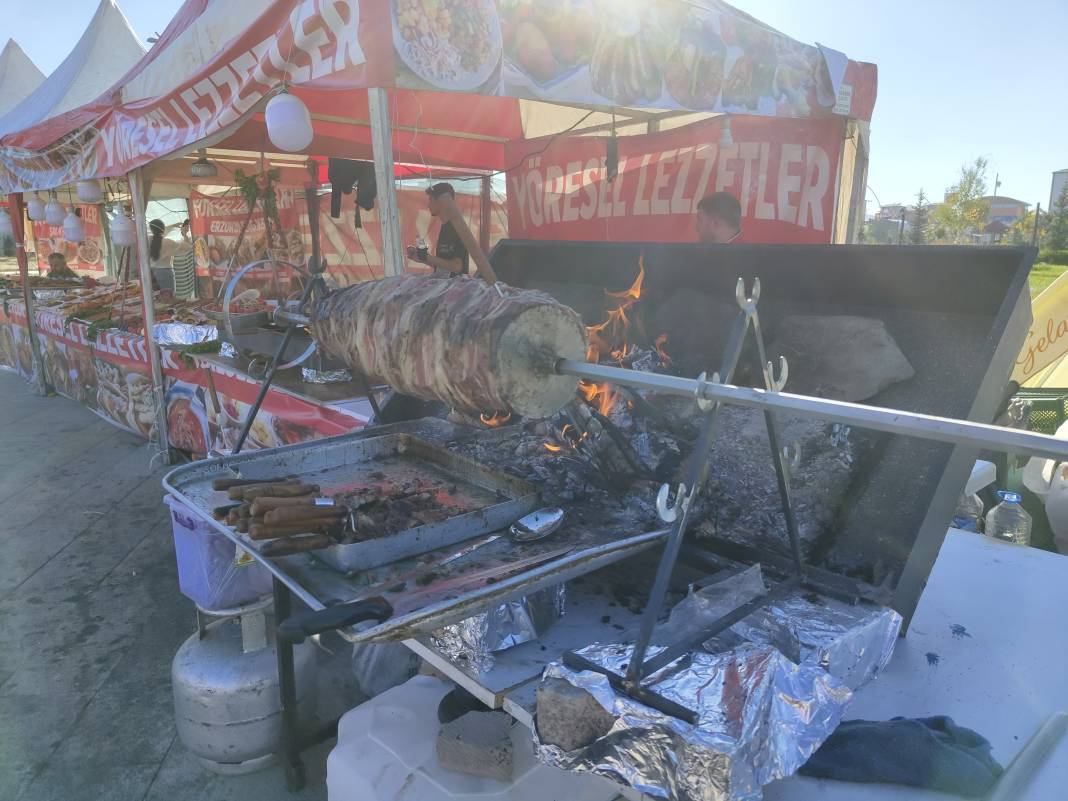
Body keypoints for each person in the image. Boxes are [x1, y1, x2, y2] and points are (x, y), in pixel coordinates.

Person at [406, 182, 469, 278]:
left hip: (455, 288)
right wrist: (420, 257)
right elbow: (443, 265)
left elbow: (457, 267)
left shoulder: (457, 227)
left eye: (431, 199)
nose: (428, 205)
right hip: (443, 283)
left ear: (441, 201)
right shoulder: (445, 227)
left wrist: (427, 257)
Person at [170, 219, 197, 300]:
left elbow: (190, 247)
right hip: (183, 275)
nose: (188, 228)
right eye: (187, 226)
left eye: (189, 226)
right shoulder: (180, 240)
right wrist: (184, 234)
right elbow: (189, 247)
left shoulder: (190, 237)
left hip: (189, 274)